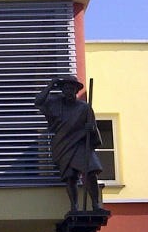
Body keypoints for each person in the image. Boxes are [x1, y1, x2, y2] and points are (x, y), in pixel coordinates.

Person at [35, 75, 107, 214]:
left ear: (76, 90)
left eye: (71, 88)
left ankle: (95, 204)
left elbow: (93, 128)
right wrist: (50, 85)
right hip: (63, 144)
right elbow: (38, 101)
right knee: (70, 177)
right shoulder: (56, 104)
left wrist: (91, 129)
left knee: (91, 171)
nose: (68, 91)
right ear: (62, 90)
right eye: (66, 88)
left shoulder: (84, 108)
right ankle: (74, 206)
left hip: (80, 144)